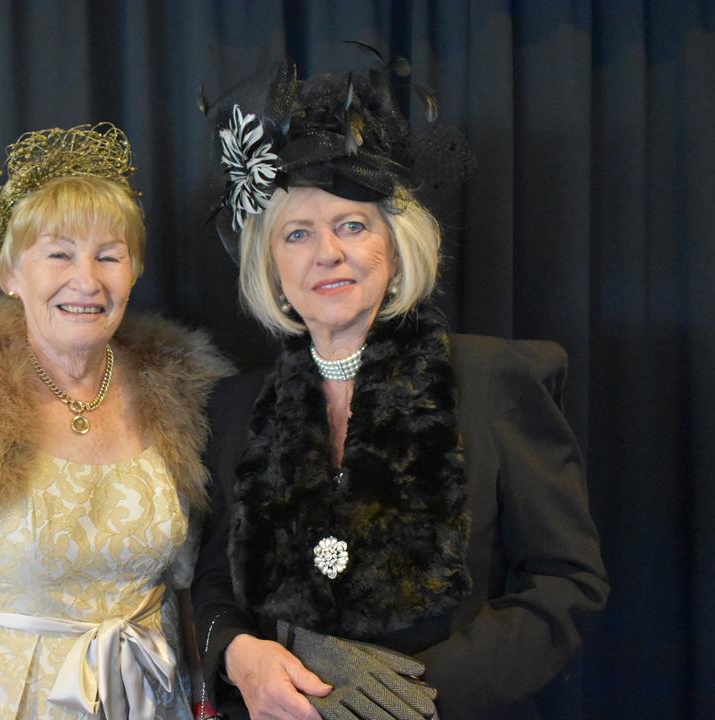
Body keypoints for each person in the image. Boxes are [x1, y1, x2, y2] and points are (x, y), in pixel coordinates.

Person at [192, 61, 609, 720]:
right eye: (297, 234)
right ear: (271, 268)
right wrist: (240, 655)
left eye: (352, 225)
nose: (326, 252)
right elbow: (215, 581)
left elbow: (566, 584)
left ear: (395, 244)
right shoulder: (235, 406)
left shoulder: (494, 381)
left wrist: (415, 696)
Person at [0, 122, 231, 720]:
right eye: (58, 254)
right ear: (10, 274)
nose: (87, 280)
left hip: (155, 700)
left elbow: (184, 589)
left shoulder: (176, 394)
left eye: (109, 255)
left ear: (132, 271)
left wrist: (204, 699)